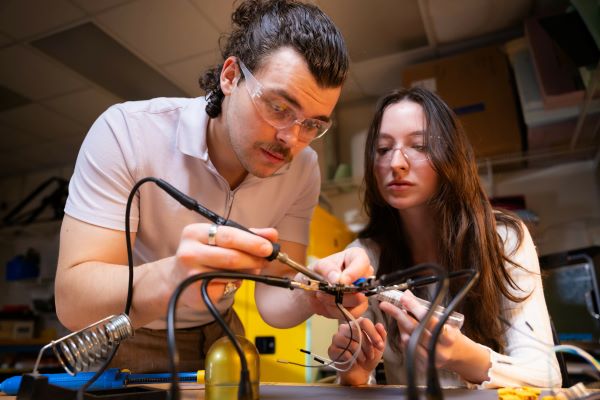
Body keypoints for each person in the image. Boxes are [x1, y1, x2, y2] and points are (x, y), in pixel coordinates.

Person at [55, 0, 372, 373]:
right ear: (231, 76)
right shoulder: (127, 133)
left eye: (313, 125)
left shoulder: (303, 169)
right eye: (278, 107)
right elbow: (73, 300)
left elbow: (275, 291)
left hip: (220, 335)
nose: (292, 139)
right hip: (121, 334)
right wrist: (174, 276)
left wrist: (312, 294)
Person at [327, 87, 562, 388]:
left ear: (450, 156)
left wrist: (462, 356)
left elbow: (547, 375)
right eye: (383, 149)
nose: (395, 163)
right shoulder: (363, 258)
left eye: (420, 145)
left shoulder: (504, 240)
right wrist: (354, 375)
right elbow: (358, 383)